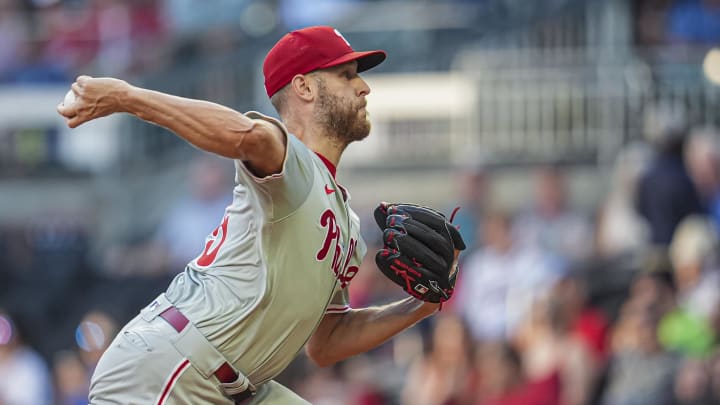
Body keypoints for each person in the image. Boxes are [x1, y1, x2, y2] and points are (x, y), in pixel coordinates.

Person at [57, 25, 459, 404]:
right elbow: (248, 136)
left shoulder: (347, 226)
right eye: (347, 74)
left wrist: (421, 306)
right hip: (170, 366)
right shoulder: (292, 163)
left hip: (237, 385)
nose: (363, 86)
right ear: (304, 86)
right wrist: (126, 97)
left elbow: (327, 343)